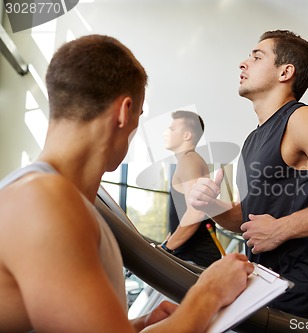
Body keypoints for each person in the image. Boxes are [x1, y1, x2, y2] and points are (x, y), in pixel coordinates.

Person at [0, 34, 254, 333]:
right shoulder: (45, 202)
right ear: (124, 112)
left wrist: (138, 325)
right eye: (140, 116)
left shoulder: (47, 195)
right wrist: (210, 292)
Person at [188, 30, 308, 320]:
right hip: (262, 290)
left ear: (285, 72)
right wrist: (210, 206)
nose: (243, 63)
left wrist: (280, 229)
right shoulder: (253, 139)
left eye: (257, 57)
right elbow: (249, 221)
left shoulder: (302, 120)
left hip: (301, 296)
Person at [160, 110, 221, 267]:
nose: (165, 133)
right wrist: (167, 242)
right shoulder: (189, 161)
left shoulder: (188, 161)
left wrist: (166, 249)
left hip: (196, 259)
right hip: (190, 256)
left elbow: (196, 211)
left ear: (187, 135)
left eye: (172, 129)